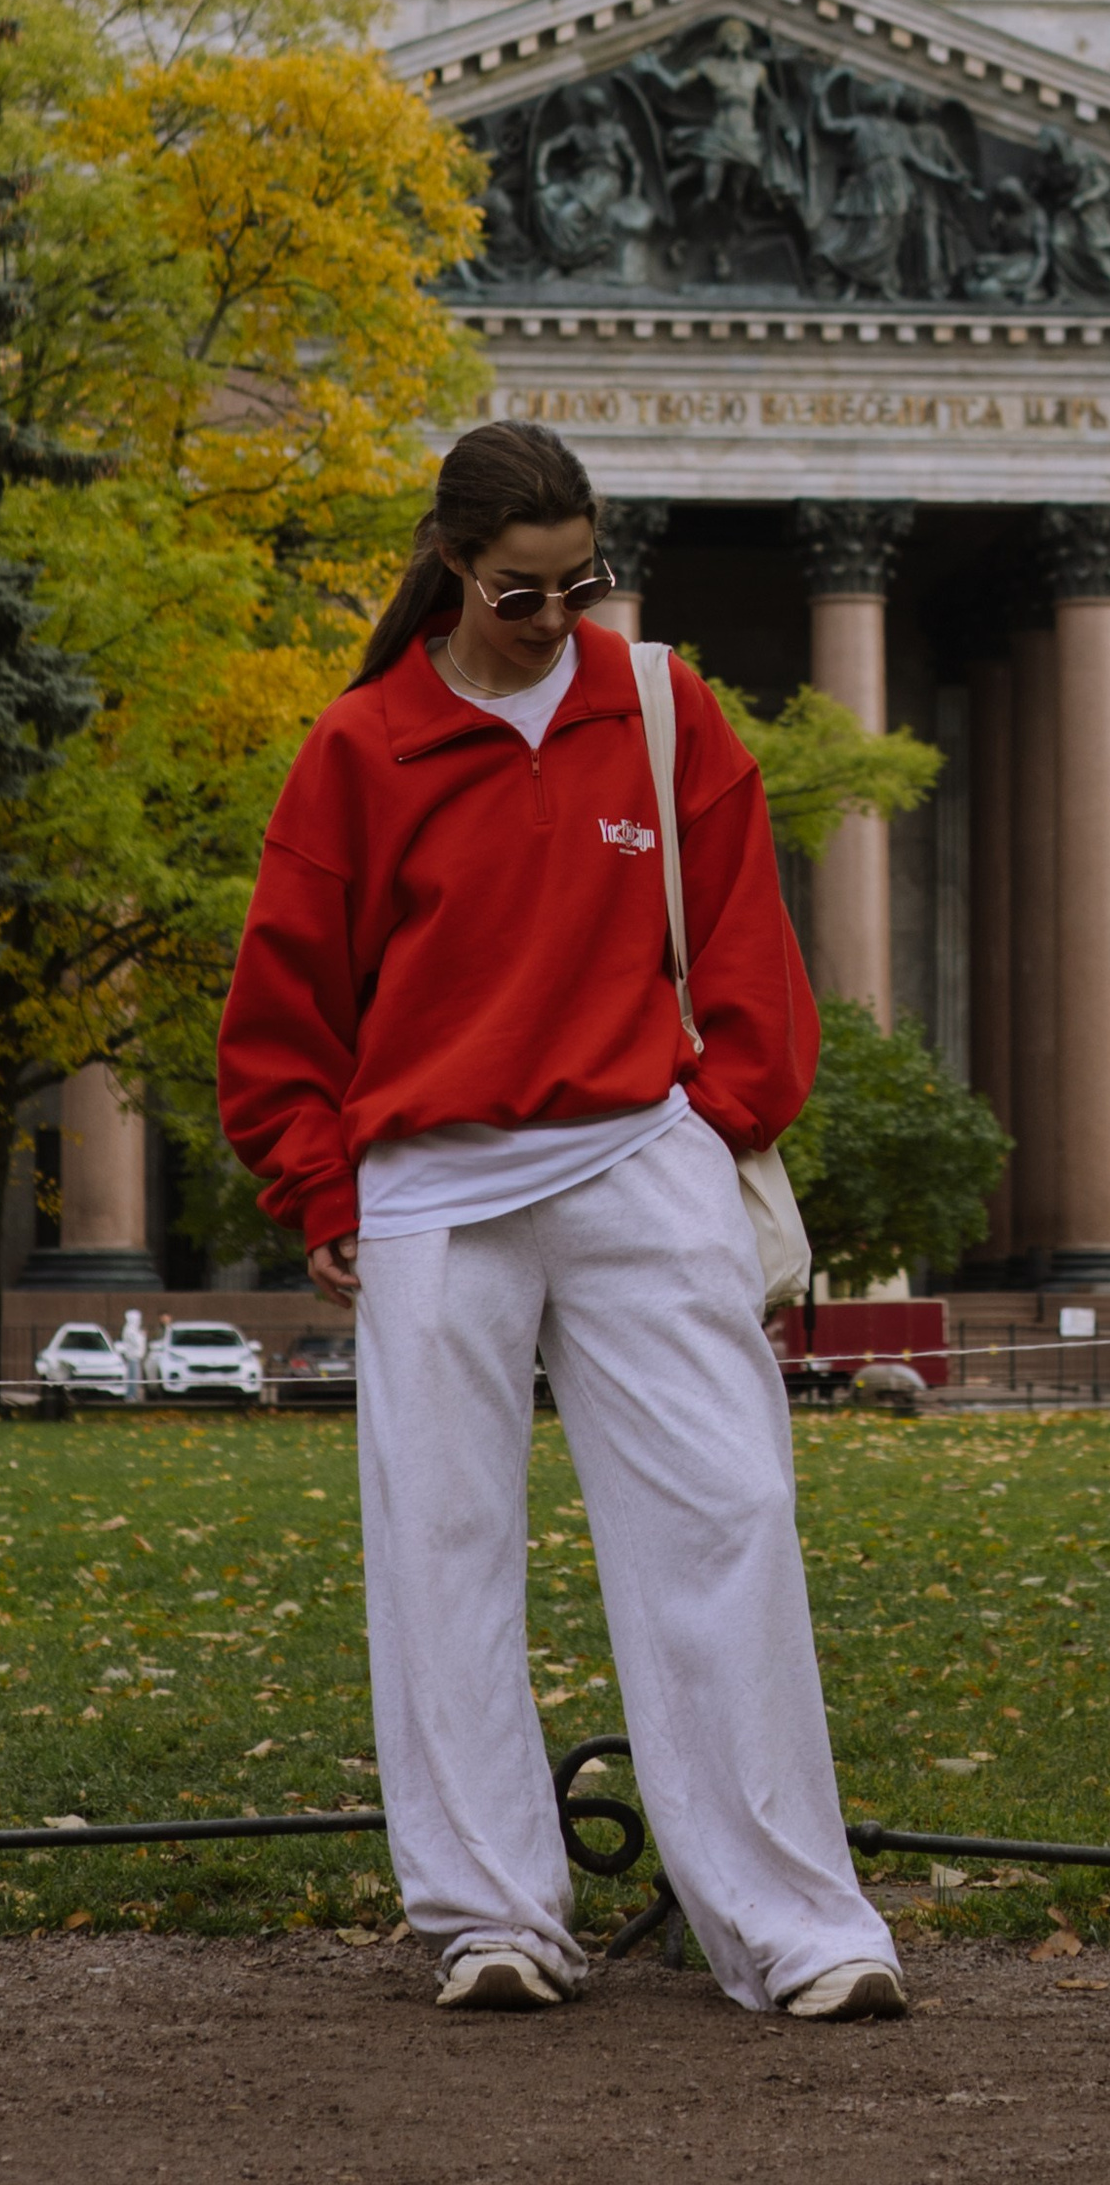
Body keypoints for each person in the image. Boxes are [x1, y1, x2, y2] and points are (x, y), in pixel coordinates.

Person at [216, 419, 904, 2025]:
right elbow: (283, 1001)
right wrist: (318, 1186)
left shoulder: (660, 710)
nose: (555, 615)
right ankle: (492, 1916)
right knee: (442, 1549)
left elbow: (745, 944)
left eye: (578, 581)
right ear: (452, 568)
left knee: (730, 1519)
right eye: (521, 590)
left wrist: (720, 1121)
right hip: (434, 1190)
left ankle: (797, 1928)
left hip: (638, 1160)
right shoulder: (364, 746)